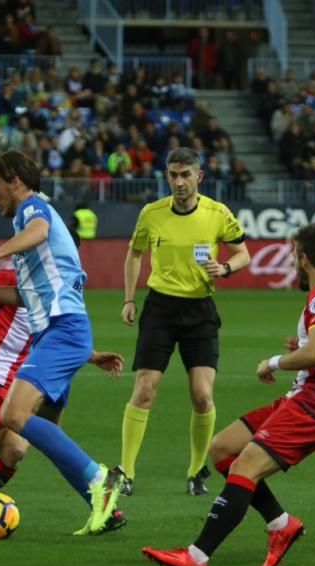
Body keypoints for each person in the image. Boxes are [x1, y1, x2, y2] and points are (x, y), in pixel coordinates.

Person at [142, 222, 315, 566]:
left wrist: (274, 362)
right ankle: (282, 525)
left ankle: (197, 555)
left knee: (244, 467)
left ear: (304, 260)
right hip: (308, 398)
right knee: (223, 448)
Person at [0, 150, 126, 536]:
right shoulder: (33, 238)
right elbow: (25, 298)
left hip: (62, 331)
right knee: (40, 430)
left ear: (16, 181)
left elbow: (38, 231)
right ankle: (104, 506)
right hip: (59, 335)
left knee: (13, 417)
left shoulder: (31, 210)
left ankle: (102, 481)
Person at [0, 264, 124, 532]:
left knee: (16, 449)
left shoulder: (51, 294)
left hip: (14, 388)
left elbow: (54, 334)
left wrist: (91, 356)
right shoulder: (8, 278)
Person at [118, 147, 250, 497]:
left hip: (199, 311)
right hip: (159, 309)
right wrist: (129, 298)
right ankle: (126, 471)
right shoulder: (151, 213)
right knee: (145, 389)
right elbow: (134, 254)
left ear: (199, 177)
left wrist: (224, 269)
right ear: (167, 176)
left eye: (185, 175)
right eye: (173, 175)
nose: (179, 182)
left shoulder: (217, 213)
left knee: (203, 396)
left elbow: (243, 253)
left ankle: (195, 472)